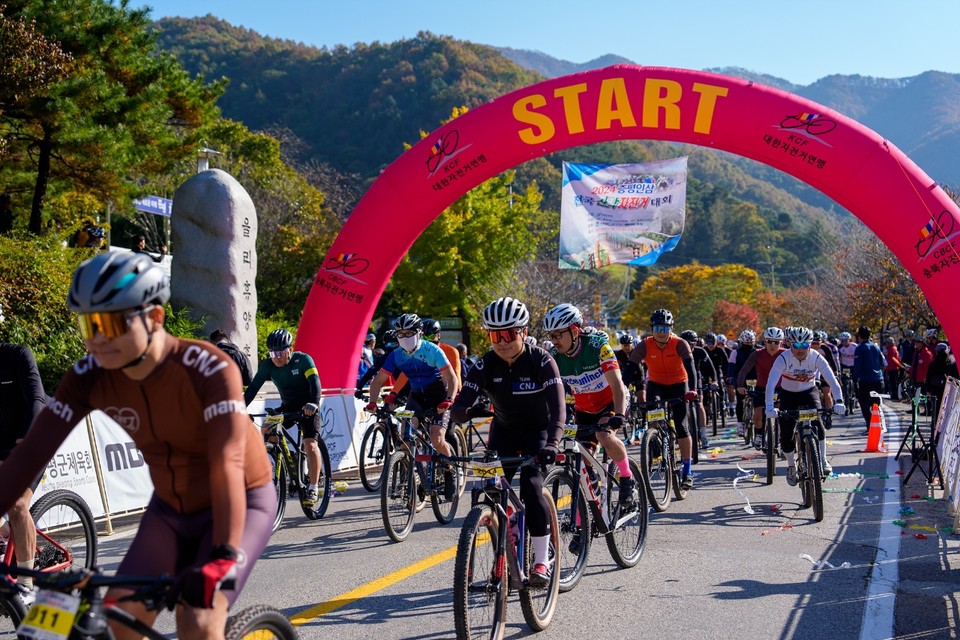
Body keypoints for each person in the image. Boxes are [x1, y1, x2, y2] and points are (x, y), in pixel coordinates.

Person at [0, 251, 274, 638]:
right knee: (119, 622)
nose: (97, 339)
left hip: (240, 501)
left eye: (111, 323)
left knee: (197, 619)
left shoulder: (209, 368)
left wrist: (222, 557)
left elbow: (227, 461)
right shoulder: (89, 375)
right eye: (88, 324)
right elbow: (29, 454)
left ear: (155, 318)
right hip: (170, 510)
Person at [450, 297, 565, 586]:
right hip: (503, 433)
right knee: (490, 492)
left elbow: (558, 407)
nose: (501, 342)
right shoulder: (486, 363)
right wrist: (461, 411)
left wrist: (553, 443)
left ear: (523, 332)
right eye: (493, 335)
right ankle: (505, 550)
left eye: (508, 334)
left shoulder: (541, 360)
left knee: (531, 486)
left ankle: (541, 560)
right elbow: (463, 400)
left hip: (538, 434)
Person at [543, 303, 638, 507]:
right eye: (551, 336)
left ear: (575, 331)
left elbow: (617, 385)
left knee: (603, 435)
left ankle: (626, 476)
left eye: (558, 335)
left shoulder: (597, 347)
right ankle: (591, 489)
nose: (554, 340)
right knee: (579, 453)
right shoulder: (555, 357)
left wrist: (619, 415)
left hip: (611, 401)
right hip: (584, 409)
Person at [364, 313, 459, 499]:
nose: (404, 338)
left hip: (438, 398)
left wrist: (449, 399)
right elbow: (377, 382)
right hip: (416, 398)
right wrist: (373, 402)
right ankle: (419, 474)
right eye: (400, 334)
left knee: (437, 438)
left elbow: (451, 378)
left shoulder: (433, 350)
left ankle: (450, 471)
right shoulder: (396, 355)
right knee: (405, 437)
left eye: (409, 333)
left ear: (419, 333)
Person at [244, 328, 325, 507]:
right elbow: (252, 389)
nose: (277, 357)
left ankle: (312, 487)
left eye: (281, 352)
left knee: (310, 444)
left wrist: (314, 403)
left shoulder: (303, 359)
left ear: (289, 350)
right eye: (273, 353)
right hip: (288, 407)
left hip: (308, 407)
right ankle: (275, 461)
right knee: (266, 428)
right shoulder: (268, 365)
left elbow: (315, 383)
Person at [628, 309, 699, 490]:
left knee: (682, 426)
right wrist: (622, 390)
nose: (661, 332)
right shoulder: (644, 345)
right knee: (653, 417)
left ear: (671, 329)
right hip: (656, 384)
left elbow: (690, 367)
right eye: (658, 328)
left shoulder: (679, 343)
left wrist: (693, 389)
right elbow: (630, 368)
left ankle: (687, 470)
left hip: (678, 384)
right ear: (652, 329)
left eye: (665, 328)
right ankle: (655, 444)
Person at [765, 326, 844, 484]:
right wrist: (769, 407)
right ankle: (790, 465)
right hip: (788, 394)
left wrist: (839, 401)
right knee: (786, 433)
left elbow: (832, 380)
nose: (800, 350)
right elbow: (771, 383)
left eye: (805, 345)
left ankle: (822, 460)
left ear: (810, 345)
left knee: (817, 423)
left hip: (809, 392)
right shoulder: (783, 358)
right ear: (789, 344)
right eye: (796, 346)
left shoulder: (815, 357)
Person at [0, 341, 47, 601]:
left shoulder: (18, 355)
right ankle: (7, 532)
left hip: (33, 436)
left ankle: (26, 585)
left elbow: (37, 399)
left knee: (17, 502)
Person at [736, 327, 786, 447]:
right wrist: (739, 386)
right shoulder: (757, 354)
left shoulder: (786, 354)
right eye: (769, 341)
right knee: (758, 414)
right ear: (765, 341)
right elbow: (743, 371)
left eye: (776, 342)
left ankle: (782, 437)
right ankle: (759, 434)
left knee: (784, 415)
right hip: (761, 388)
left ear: (781, 342)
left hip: (781, 388)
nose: (772, 345)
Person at [680, 329, 717, 448]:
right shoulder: (677, 352)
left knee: (699, 403)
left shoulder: (701, 352)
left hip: (697, 380)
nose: (688, 346)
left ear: (695, 343)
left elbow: (711, 368)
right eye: (685, 343)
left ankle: (704, 434)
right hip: (681, 381)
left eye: (691, 344)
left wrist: (715, 380)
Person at [852, 326, 886, 429]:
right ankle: (878, 426)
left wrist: (854, 380)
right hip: (878, 379)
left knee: (864, 404)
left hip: (866, 381)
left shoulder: (860, 348)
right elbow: (882, 362)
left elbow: (857, 366)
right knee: (875, 405)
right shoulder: (876, 347)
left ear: (860, 336)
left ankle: (870, 426)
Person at [729, 329, 758, 436]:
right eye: (746, 342)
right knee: (741, 401)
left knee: (758, 402)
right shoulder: (735, 352)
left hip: (756, 379)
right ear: (742, 342)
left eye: (751, 342)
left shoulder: (757, 351)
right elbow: (731, 367)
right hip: (741, 380)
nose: (749, 344)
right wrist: (731, 377)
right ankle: (740, 424)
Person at [422, 318, 462, 388]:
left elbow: (456, 374)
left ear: (439, 335)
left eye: (431, 337)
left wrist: (457, 389)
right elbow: (405, 375)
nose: (428, 341)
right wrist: (395, 392)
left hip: (446, 390)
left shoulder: (451, 351)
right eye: (424, 338)